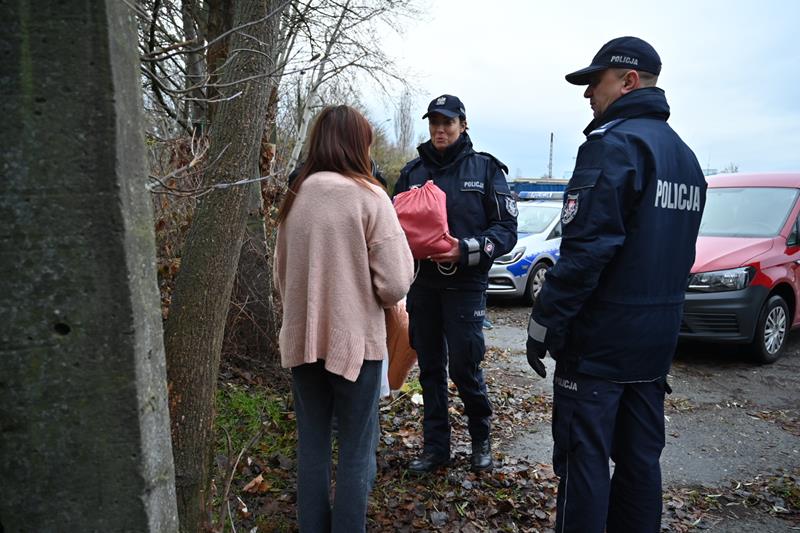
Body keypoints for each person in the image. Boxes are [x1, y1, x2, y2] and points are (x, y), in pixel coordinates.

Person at [525, 37, 707, 532]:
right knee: (640, 462)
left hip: (599, 346)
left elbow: (586, 252)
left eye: (595, 82)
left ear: (628, 81)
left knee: (583, 464)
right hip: (654, 345)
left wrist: (544, 321)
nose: (587, 95)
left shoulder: (614, 145)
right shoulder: (685, 159)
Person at [274, 105, 414, 532]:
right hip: (356, 346)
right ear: (359, 145)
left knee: (312, 446)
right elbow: (394, 284)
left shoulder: (295, 194)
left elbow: (281, 275)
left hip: (301, 341)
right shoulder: (369, 196)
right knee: (356, 450)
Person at [394, 94, 518, 473]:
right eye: (434, 122)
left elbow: (506, 231)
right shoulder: (413, 173)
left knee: (465, 366)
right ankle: (436, 449)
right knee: (430, 367)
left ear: (463, 125)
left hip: (465, 286)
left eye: (447, 122)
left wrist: (466, 250)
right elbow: (389, 226)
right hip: (423, 284)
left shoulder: (485, 170)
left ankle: (481, 439)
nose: (440, 129)